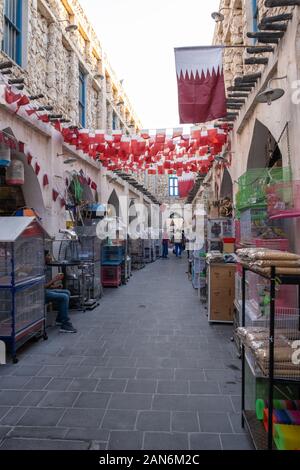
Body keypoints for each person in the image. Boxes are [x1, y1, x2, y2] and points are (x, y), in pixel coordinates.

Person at [45, 251, 77, 334]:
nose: (50, 257)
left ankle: (59, 319)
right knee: (64, 297)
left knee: (67, 292)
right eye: (48, 255)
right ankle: (65, 324)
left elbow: (46, 286)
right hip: (41, 294)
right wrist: (55, 280)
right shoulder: (38, 269)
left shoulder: (45, 267)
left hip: (46, 290)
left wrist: (55, 286)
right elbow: (40, 287)